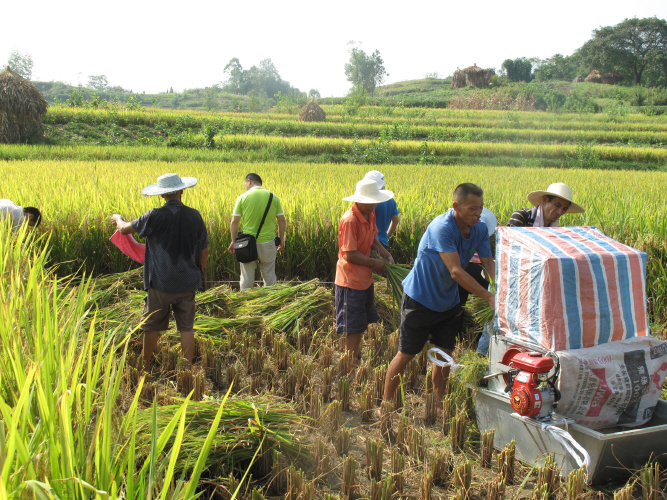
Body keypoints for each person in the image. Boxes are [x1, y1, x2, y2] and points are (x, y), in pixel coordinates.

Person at [382, 183, 495, 404]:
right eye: (472, 208)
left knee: (444, 356)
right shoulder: (441, 228)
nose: (478, 213)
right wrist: (488, 296)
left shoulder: (480, 229)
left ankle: (438, 402)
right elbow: (455, 271)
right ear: (456, 206)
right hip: (421, 299)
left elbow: (487, 261)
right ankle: (386, 404)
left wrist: (499, 286)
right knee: (406, 354)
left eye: (480, 208)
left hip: (448, 301)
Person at [111, 173, 209, 372]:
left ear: (162, 195)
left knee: (151, 325)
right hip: (188, 282)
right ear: (182, 191)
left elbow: (124, 230)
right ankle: (187, 367)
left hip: (160, 282)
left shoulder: (154, 215)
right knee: (186, 327)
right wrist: (197, 272)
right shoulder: (194, 216)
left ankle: (146, 367)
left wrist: (117, 219)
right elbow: (204, 250)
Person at [335, 179, 395, 362]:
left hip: (365, 281)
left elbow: (373, 238)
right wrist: (375, 264)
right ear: (359, 200)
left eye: (375, 201)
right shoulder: (350, 220)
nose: (373, 205)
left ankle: (354, 358)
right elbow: (350, 254)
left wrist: (385, 254)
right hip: (350, 282)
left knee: (361, 325)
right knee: (352, 327)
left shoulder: (370, 214)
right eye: (369, 201)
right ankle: (349, 365)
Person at [228, 173, 286, 290]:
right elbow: (282, 221)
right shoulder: (273, 197)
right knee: (269, 278)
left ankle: (245, 304)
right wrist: (281, 239)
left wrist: (233, 241)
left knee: (246, 278)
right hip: (268, 244)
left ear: (249, 181)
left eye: (245, 183)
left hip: (247, 245)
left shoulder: (242, 198)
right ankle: (269, 305)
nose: (245, 186)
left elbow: (234, 222)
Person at [508, 182, 584, 228]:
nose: (560, 212)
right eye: (557, 205)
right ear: (545, 200)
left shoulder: (556, 230)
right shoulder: (522, 216)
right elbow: (509, 245)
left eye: (564, 209)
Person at [363, 170, 399, 249]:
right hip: (384, 243)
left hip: (372, 243)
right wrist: (386, 237)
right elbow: (395, 221)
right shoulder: (391, 201)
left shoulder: (371, 203)